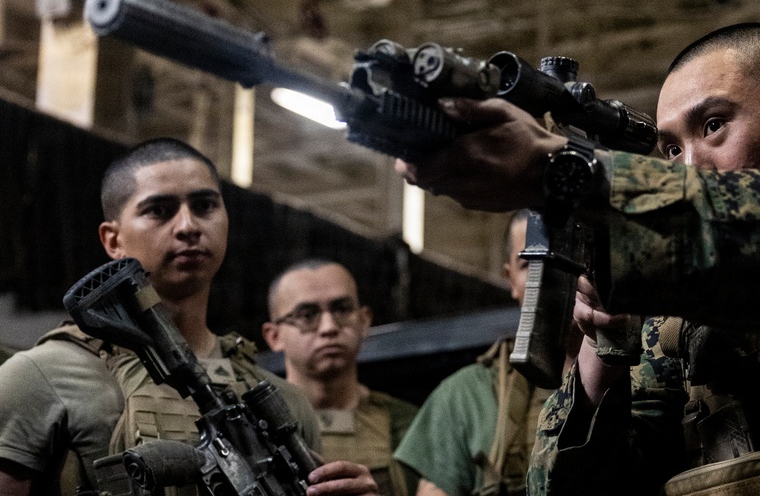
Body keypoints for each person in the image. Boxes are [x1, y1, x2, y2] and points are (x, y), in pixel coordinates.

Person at [396, 23, 760, 494]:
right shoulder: (674, 326)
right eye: (669, 149)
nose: (688, 168)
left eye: (713, 126)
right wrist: (603, 351)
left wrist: (576, 179)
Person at [0, 138, 379, 496]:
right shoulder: (39, 378)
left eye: (204, 206)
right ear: (113, 240)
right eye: (159, 211)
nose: (188, 227)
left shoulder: (284, 403)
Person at [394, 209, 580, 496]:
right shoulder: (466, 396)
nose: (548, 277)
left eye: (564, 259)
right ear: (511, 281)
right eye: (529, 264)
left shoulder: (653, 369)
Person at [262, 259, 419, 496]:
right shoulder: (252, 428)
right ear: (274, 336)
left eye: (342, 309)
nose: (328, 327)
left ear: (364, 320)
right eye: (307, 315)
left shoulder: (409, 426)